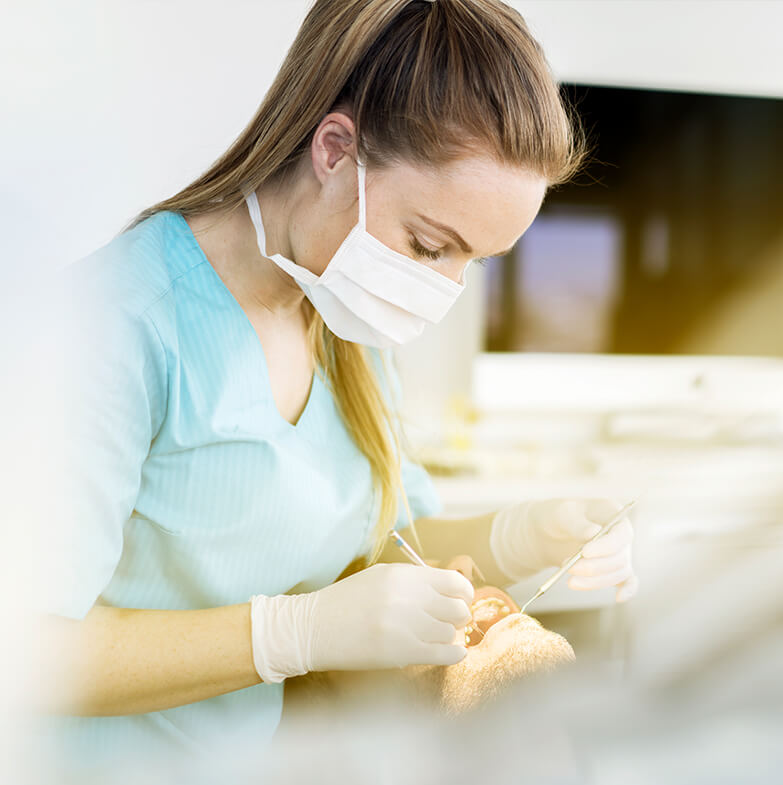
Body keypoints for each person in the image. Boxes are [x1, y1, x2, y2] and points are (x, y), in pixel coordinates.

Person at [40, 0, 636, 766]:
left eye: (473, 263)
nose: (443, 288)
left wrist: (518, 534)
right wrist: (292, 632)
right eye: (428, 245)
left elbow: (383, 544)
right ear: (334, 150)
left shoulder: (340, 313)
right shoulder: (117, 324)